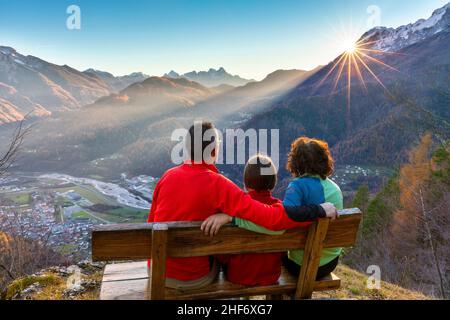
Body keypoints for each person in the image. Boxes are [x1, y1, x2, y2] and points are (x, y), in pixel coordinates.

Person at [148, 121, 337, 289]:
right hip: (195, 279)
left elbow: (151, 225)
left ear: (187, 149)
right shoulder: (219, 185)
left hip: (157, 271)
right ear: (214, 151)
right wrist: (319, 210)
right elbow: (273, 219)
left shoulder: (166, 177)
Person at [202, 136, 343, 280]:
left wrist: (233, 218)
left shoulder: (296, 188)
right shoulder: (336, 189)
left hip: (301, 265)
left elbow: (280, 222)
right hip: (329, 263)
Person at [217, 154, 286, 286]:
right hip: (271, 275)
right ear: (273, 182)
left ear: (246, 182)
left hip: (238, 275)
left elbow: (223, 254)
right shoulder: (280, 211)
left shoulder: (235, 210)